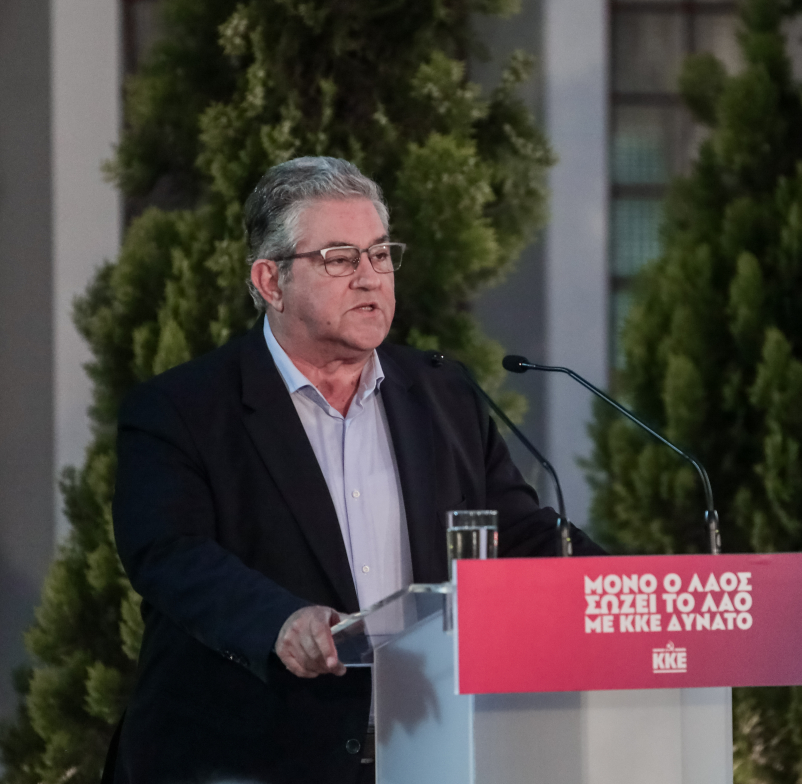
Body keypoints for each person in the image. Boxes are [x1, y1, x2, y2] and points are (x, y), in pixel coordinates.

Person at [108, 157, 604, 783]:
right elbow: (172, 554)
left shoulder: (443, 395)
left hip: (420, 751)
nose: (370, 277)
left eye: (381, 254)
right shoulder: (183, 408)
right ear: (270, 280)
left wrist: (631, 592)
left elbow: (518, 533)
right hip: (245, 759)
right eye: (340, 259)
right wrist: (280, 621)